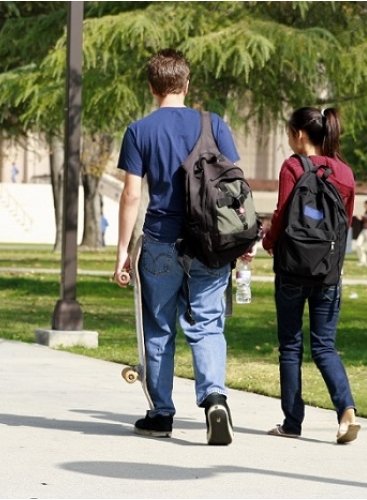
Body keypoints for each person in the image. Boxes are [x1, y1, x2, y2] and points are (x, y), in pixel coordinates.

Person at [113, 48, 251, 445]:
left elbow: (131, 196)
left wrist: (123, 252)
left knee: (158, 326)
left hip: (160, 241)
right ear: (186, 84)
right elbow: (233, 187)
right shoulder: (214, 124)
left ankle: (160, 414)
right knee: (207, 323)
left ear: (152, 88)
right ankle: (214, 399)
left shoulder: (139, 130)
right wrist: (241, 240)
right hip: (210, 241)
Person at [261, 107, 360, 444]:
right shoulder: (345, 173)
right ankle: (346, 409)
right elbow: (345, 224)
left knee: (290, 346)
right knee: (324, 347)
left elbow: (283, 212)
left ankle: (292, 422)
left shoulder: (293, 166)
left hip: (291, 268)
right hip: (328, 272)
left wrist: (268, 241)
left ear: (299, 134)